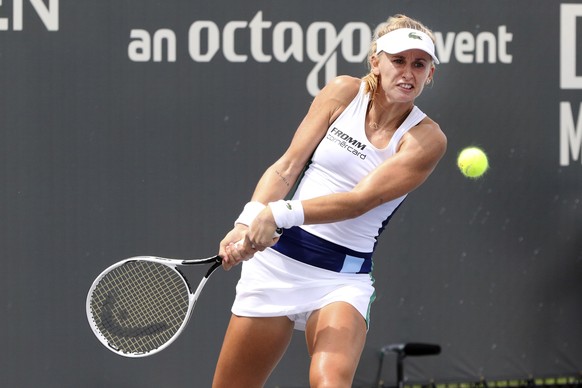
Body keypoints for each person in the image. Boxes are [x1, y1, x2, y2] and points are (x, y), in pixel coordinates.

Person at [212, 14, 447, 388]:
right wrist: (248, 219)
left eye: (419, 64)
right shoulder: (342, 92)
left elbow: (360, 200)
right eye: (398, 60)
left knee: (329, 382)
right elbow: (287, 167)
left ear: (430, 73)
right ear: (376, 61)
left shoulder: (426, 139)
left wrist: (279, 212)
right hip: (277, 267)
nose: (408, 72)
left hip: (341, 278)